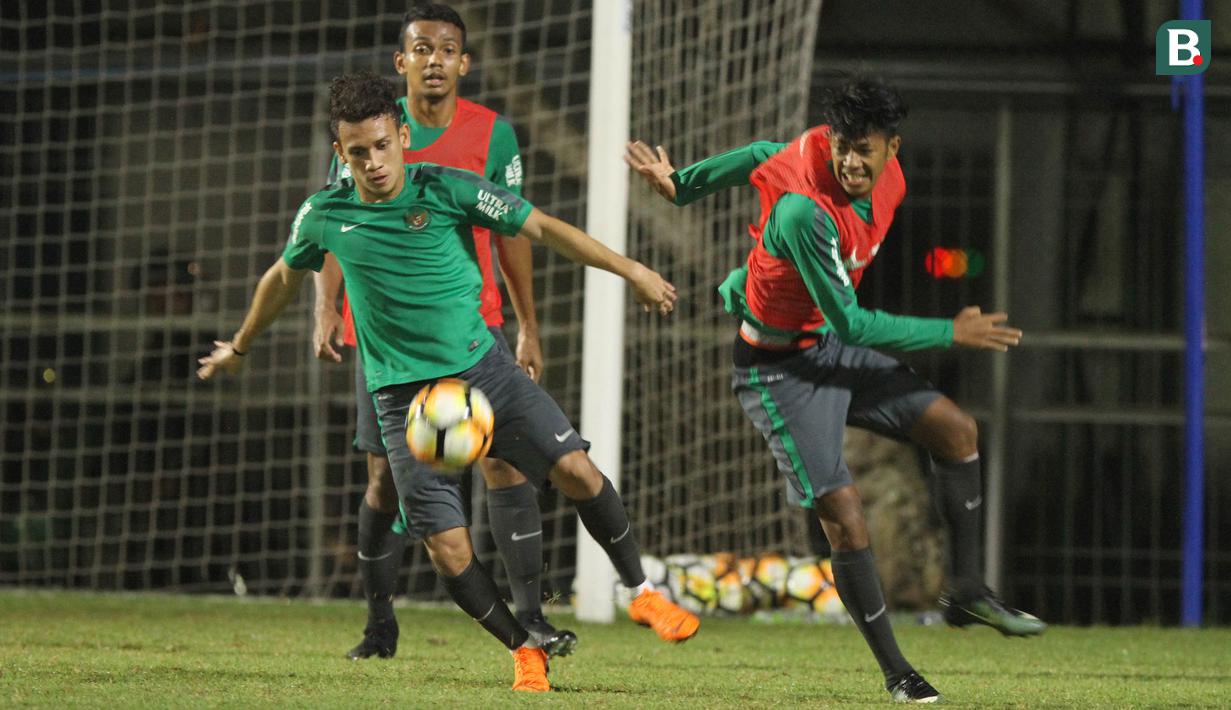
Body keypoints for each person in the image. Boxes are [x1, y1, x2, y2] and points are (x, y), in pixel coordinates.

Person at [198, 71, 699, 693]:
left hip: (483, 368)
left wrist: (631, 270)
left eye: (383, 145)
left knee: (578, 471)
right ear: (341, 154)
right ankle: (523, 648)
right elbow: (280, 278)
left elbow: (541, 228)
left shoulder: (448, 189)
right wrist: (241, 347)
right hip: (403, 400)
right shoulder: (324, 214)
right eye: (359, 152)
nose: (374, 162)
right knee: (449, 552)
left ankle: (642, 592)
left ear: (402, 136)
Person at [625, 76, 1045, 703]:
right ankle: (898, 673)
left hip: (824, 344)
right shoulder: (805, 210)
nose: (850, 161)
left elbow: (760, 155)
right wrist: (948, 331)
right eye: (842, 147)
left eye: (864, 150)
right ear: (830, 142)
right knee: (846, 520)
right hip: (777, 371)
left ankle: (968, 592)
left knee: (957, 431)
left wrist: (687, 188)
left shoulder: (891, 184)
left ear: (891, 149)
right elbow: (852, 318)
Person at [311, 4, 570, 661]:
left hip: (472, 330)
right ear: (402, 62)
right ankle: (378, 624)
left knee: (503, 461)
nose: (433, 60)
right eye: (420, 48)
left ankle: (533, 620)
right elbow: (337, 229)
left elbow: (515, 234)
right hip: (390, 342)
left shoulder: (493, 135)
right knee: (384, 482)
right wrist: (324, 307)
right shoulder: (371, 130)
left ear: (463, 62)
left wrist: (527, 326)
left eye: (446, 49)